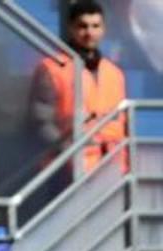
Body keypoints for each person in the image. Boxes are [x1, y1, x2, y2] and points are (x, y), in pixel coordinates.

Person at [30, 0, 126, 174]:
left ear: (103, 29)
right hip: (67, 169)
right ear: (71, 28)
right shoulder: (52, 68)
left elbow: (123, 124)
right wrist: (69, 152)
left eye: (95, 26)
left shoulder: (114, 73)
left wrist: (125, 165)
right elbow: (41, 123)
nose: (89, 33)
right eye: (83, 26)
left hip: (111, 168)